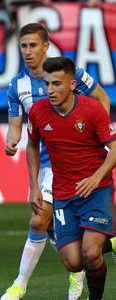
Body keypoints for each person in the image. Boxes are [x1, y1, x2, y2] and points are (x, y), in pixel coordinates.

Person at [2, 23, 115, 300]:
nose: (27, 52)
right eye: (23, 46)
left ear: (45, 46)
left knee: (40, 221)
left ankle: (20, 285)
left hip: (78, 159)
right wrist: (10, 140)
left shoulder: (71, 72)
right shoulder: (18, 86)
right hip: (49, 164)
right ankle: (81, 262)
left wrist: (87, 132)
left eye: (32, 45)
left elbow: (102, 99)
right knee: (47, 224)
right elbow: (17, 127)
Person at [27, 57, 116, 300]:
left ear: (73, 84)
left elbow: (115, 147)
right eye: (46, 84)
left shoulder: (92, 109)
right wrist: (34, 186)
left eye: (56, 84)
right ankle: (110, 237)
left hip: (96, 191)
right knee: (74, 263)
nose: (50, 90)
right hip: (64, 194)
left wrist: (97, 178)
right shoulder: (38, 112)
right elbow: (32, 146)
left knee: (90, 253)